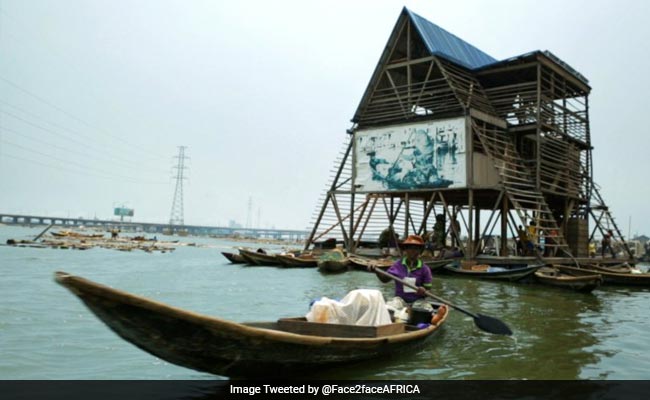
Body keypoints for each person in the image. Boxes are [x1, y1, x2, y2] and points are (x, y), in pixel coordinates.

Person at [369, 235, 433, 304]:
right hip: (399, 301)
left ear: (420, 251)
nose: (412, 251)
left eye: (416, 248)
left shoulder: (425, 269)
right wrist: (376, 269)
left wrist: (424, 291)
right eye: (410, 248)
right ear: (406, 250)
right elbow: (384, 279)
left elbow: (428, 291)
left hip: (417, 302)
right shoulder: (398, 265)